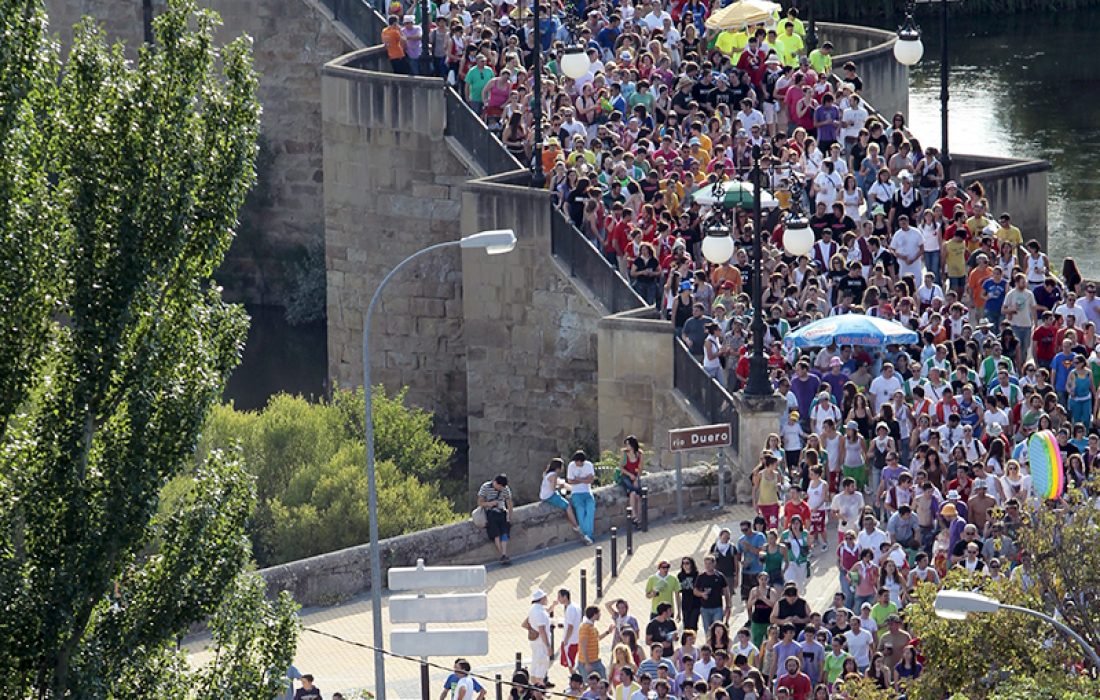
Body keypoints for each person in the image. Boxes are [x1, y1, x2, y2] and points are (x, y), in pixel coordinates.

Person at [478, 474, 514, 565]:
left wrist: (510, 516)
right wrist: (490, 504)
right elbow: (480, 502)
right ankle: (502, 555)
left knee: (504, 533)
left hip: (502, 512)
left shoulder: (505, 489)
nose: (500, 488)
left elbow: (509, 502)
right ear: (495, 482)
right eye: (499, 486)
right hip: (491, 513)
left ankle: (504, 554)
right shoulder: (485, 487)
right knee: (496, 534)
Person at [541, 457, 581, 535]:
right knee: (567, 506)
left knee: (566, 492)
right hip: (549, 496)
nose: (563, 468)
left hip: (545, 495)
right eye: (562, 466)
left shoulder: (548, 474)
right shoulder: (553, 475)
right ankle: (576, 526)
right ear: (558, 467)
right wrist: (561, 487)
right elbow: (552, 489)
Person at [693, 554, 731, 632]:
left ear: (714, 564)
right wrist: (702, 594)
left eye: (709, 563)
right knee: (708, 631)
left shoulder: (719, 576)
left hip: (717, 607)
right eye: (706, 564)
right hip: (705, 608)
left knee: (718, 629)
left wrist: (728, 605)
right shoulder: (701, 576)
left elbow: (726, 591)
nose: (707, 566)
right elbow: (695, 591)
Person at [568, 451, 596, 545]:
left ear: (582, 461)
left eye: (577, 462)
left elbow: (591, 480)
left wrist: (578, 479)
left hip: (587, 492)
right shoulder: (571, 466)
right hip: (576, 493)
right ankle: (586, 535)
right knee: (580, 510)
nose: (576, 464)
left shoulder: (588, 465)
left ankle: (588, 535)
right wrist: (584, 480)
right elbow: (570, 481)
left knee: (590, 509)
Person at [526, 589, 553, 687]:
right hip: (541, 643)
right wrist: (548, 646)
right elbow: (542, 630)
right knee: (542, 666)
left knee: (535, 664)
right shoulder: (540, 612)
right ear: (541, 599)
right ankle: (539, 689)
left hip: (535, 642)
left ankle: (535, 688)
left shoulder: (533, 609)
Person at [620, 437, 645, 524]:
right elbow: (621, 468)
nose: (627, 446)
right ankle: (634, 515)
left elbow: (640, 468)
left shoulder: (640, 454)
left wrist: (636, 477)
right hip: (626, 476)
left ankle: (639, 517)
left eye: (628, 444)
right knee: (632, 492)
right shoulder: (624, 454)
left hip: (635, 476)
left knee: (638, 496)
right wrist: (630, 475)